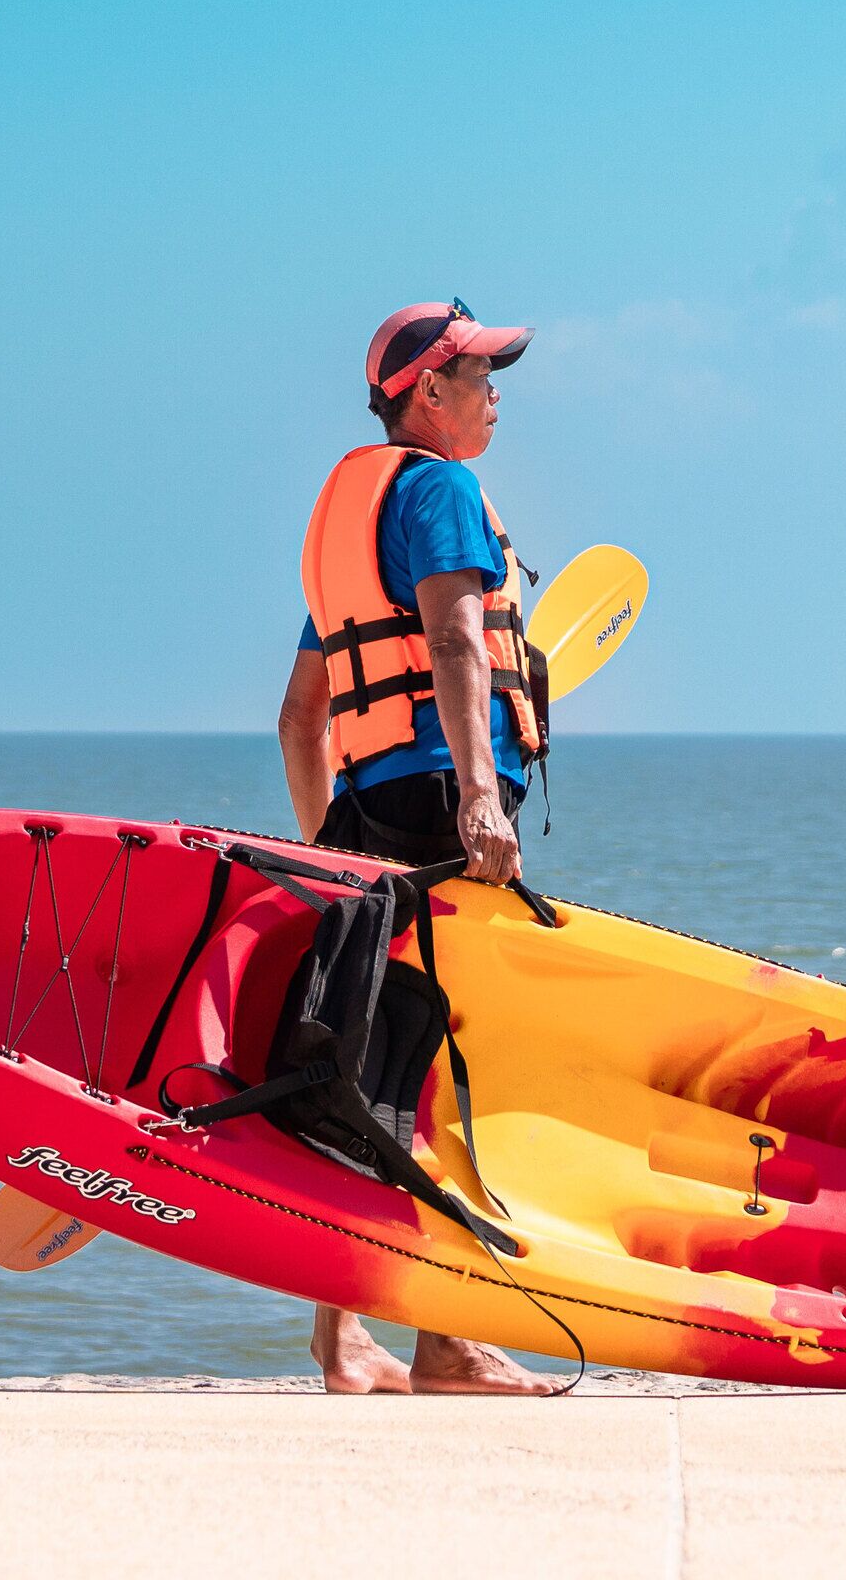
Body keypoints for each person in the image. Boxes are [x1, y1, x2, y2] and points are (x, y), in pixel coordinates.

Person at [274, 297, 557, 1397]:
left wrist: (327, 849)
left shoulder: (351, 514)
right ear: (426, 394)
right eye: (481, 378)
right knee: (446, 1073)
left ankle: (351, 1337)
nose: (495, 397)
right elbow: (451, 637)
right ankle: (447, 1339)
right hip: (442, 812)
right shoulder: (441, 490)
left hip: (362, 815)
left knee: (366, 1066)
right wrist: (482, 803)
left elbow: (301, 716)